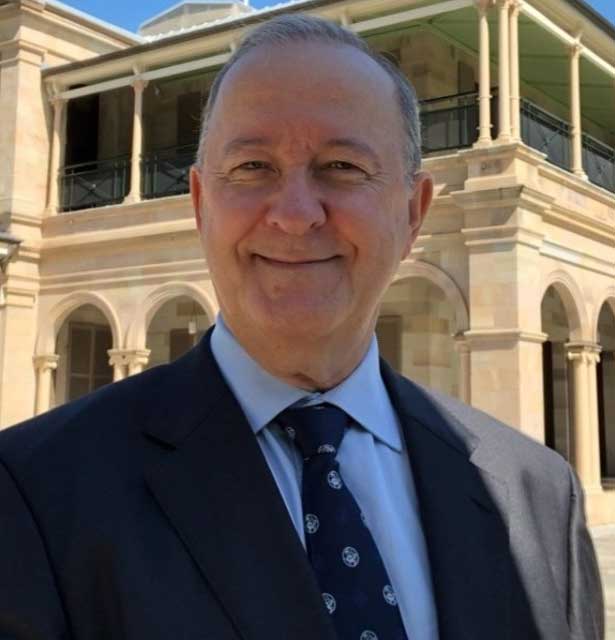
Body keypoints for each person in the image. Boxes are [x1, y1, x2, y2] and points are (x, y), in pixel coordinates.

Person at [0, 14, 603, 640]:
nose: (294, 215)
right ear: (201, 205)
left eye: (341, 165)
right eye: (252, 167)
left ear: (413, 213)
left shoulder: (536, 496)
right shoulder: (35, 495)